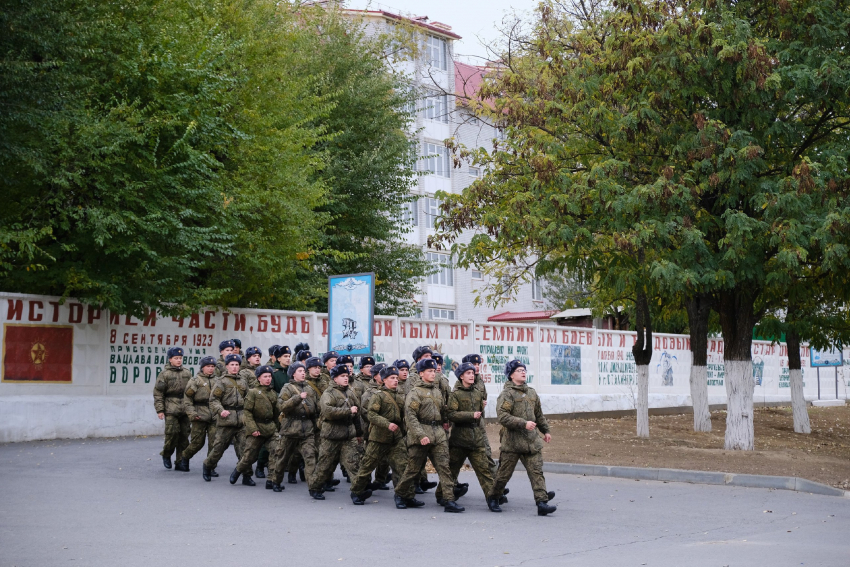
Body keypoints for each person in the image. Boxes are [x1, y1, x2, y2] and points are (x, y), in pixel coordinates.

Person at [393, 358, 463, 513]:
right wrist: (420, 435)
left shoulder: (437, 392)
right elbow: (410, 417)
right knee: (413, 469)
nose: (433, 373)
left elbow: (441, 410)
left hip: (438, 434)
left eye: (434, 370)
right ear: (421, 373)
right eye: (429, 371)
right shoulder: (415, 393)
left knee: (444, 468)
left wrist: (446, 420)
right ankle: (400, 494)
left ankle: (449, 500)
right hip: (421, 435)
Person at [489, 360, 556, 516]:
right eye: (519, 370)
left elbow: (538, 414)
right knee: (503, 475)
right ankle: (493, 497)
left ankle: (542, 502)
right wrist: (523, 423)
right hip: (512, 442)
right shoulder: (507, 394)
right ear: (511, 374)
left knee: (536, 471)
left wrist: (545, 430)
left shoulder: (531, 393)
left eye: (524, 370)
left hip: (531, 442)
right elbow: (503, 417)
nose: (523, 372)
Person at [441, 362, 497, 511]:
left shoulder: (478, 394)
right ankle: (442, 495)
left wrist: (478, 413)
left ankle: (492, 499)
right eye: (468, 373)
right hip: (459, 439)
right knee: (452, 470)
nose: (472, 375)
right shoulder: (455, 394)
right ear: (461, 376)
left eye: (473, 373)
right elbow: (451, 414)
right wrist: (470, 415)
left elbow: (480, 416)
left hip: (476, 439)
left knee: (484, 471)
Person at [349, 365, 408, 505]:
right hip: (378, 437)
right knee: (367, 466)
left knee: (402, 466)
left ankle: (403, 496)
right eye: (392, 378)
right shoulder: (378, 395)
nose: (395, 380)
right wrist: (386, 424)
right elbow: (371, 414)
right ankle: (357, 492)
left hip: (396, 437)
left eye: (396, 378)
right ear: (384, 380)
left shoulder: (401, 395)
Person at [308, 364, 362, 500]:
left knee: (353, 464)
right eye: (342, 376)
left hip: (348, 435)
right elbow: (328, 412)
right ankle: (314, 487)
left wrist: (359, 433)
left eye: (347, 376)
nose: (346, 378)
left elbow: (357, 412)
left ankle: (358, 492)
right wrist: (348, 411)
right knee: (325, 465)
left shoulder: (349, 392)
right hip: (331, 436)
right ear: (335, 378)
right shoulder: (328, 393)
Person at [268, 359, 320, 492]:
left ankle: (314, 488)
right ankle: (276, 481)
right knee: (282, 458)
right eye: (300, 371)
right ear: (293, 374)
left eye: (303, 371)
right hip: (290, 429)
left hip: (307, 429)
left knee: (310, 458)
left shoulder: (309, 388)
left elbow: (316, 408)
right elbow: (282, 406)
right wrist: (297, 398)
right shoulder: (287, 388)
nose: (303, 373)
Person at [229, 365, 279, 487]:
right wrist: (253, 429)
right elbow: (247, 412)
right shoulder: (252, 393)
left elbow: (276, 413)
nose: (268, 379)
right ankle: (238, 470)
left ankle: (271, 480)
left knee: (276, 451)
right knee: (249, 456)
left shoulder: (273, 393)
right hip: (257, 427)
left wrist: (276, 428)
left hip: (270, 428)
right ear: (258, 378)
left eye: (269, 376)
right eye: (265, 376)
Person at [202, 354, 248, 481]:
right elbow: (213, 400)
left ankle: (246, 475)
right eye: (232, 365)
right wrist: (220, 411)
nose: (234, 367)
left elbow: (248, 399)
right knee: (218, 448)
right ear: (227, 366)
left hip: (241, 420)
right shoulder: (221, 382)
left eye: (237, 365)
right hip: (226, 420)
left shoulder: (243, 381)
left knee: (244, 450)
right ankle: (207, 466)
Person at [153, 347, 192, 471]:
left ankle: (180, 462)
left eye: (180, 358)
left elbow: (191, 391)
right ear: (170, 359)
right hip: (171, 408)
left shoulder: (187, 373)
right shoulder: (165, 374)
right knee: (172, 435)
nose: (179, 360)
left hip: (185, 409)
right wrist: (160, 410)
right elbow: (158, 393)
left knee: (184, 437)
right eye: (176, 358)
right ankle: (167, 454)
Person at [181, 356, 218, 475]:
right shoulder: (195, 381)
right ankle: (185, 456)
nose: (211, 369)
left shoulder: (218, 380)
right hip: (200, 415)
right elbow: (187, 399)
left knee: (214, 443)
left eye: (212, 366)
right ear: (202, 368)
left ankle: (210, 466)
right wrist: (192, 414)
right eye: (208, 366)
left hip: (214, 416)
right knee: (197, 443)